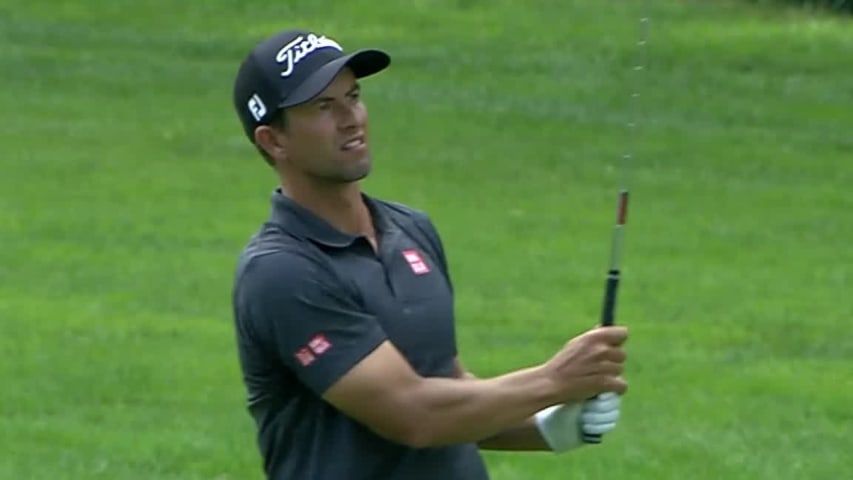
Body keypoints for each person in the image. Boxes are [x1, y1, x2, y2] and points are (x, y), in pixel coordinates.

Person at [229, 28, 629, 480]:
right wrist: (553, 381)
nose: (351, 118)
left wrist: (549, 427)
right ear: (273, 141)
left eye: (354, 96)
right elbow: (413, 413)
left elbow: (450, 390)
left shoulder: (409, 229)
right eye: (324, 107)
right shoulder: (281, 273)